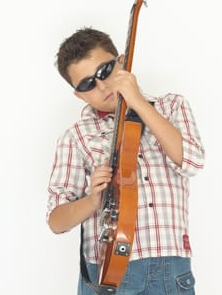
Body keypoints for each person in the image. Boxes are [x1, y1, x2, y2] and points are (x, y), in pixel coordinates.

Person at [46, 27, 205, 295]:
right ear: (79, 95)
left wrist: (138, 102)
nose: (102, 86)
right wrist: (92, 201)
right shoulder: (76, 137)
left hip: (172, 267)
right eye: (87, 84)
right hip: (108, 273)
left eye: (105, 70)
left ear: (121, 61)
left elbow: (191, 161)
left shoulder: (171, 106)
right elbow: (56, 221)